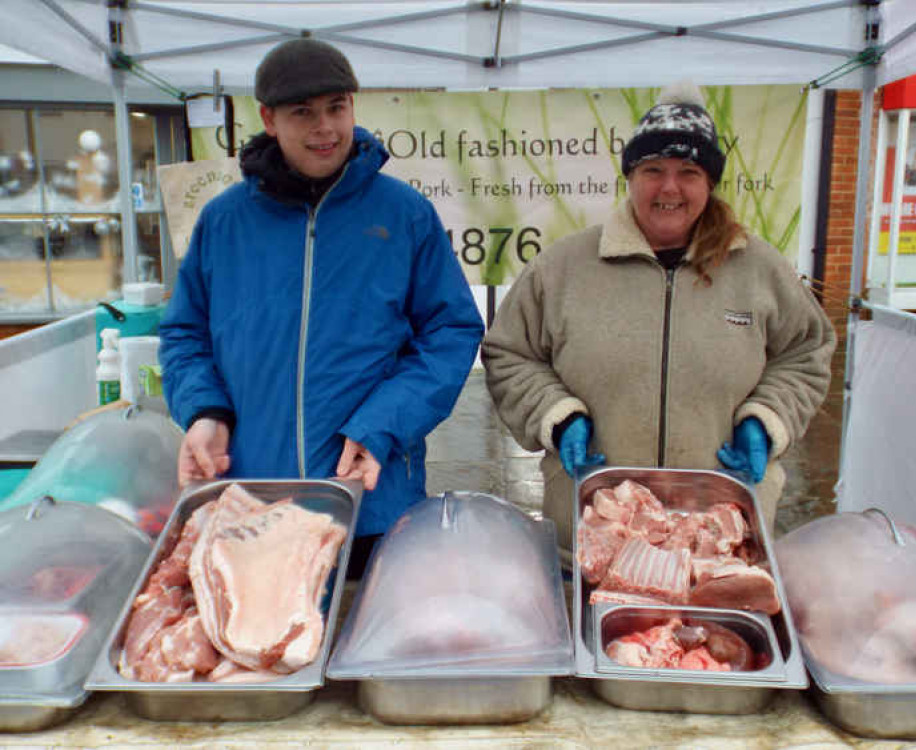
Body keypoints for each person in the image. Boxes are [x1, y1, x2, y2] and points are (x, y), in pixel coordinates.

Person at [159, 38, 484, 570]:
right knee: (268, 646)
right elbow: (184, 335)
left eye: (337, 108)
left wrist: (381, 424)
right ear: (268, 118)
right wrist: (205, 412)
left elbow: (450, 333)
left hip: (371, 497)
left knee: (368, 641)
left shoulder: (404, 214)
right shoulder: (224, 221)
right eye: (303, 113)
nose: (325, 128)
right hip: (254, 498)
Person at [481, 86, 835, 561]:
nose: (669, 189)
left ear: (709, 183)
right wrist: (556, 416)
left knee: (698, 640)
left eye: (688, 173)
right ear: (630, 177)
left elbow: (806, 353)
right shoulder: (563, 267)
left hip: (720, 540)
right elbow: (509, 353)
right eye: (653, 171)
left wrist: (767, 419)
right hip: (593, 534)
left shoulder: (761, 269)